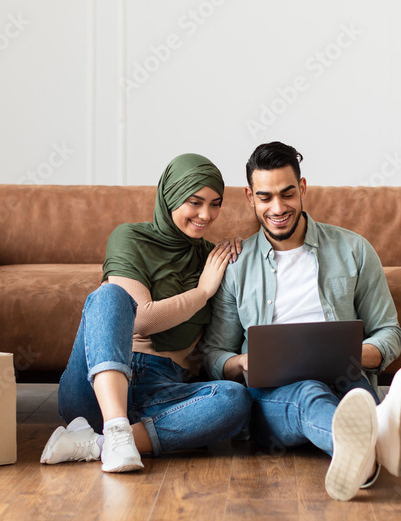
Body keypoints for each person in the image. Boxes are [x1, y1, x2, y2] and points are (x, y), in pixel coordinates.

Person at [201, 142, 401, 501]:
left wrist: (351, 354)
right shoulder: (237, 266)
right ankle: (381, 433)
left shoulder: (353, 250)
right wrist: (242, 362)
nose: (278, 208)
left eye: (287, 194)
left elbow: (389, 333)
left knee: (348, 396)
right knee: (308, 393)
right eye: (265, 197)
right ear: (249, 197)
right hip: (274, 399)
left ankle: (364, 460)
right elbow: (213, 353)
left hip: (348, 382)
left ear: (302, 188)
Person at [42, 153, 252, 472]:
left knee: (234, 400)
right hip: (96, 389)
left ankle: (102, 443)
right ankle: (114, 426)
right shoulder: (129, 237)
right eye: (194, 202)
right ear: (170, 196)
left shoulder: (214, 259)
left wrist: (243, 251)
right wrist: (203, 292)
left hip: (164, 390)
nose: (206, 214)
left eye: (215, 203)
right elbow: (142, 318)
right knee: (109, 294)